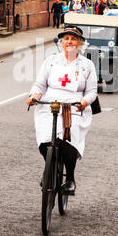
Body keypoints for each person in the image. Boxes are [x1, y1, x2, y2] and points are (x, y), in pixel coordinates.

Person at [27, 26, 97, 194]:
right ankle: (49, 168)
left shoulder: (87, 65)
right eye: (66, 39)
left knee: (69, 139)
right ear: (62, 42)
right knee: (45, 138)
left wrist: (85, 102)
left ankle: (70, 178)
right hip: (49, 104)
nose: (69, 42)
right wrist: (34, 95)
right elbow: (40, 84)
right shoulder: (51, 61)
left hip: (73, 106)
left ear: (80, 43)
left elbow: (92, 91)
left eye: (73, 39)